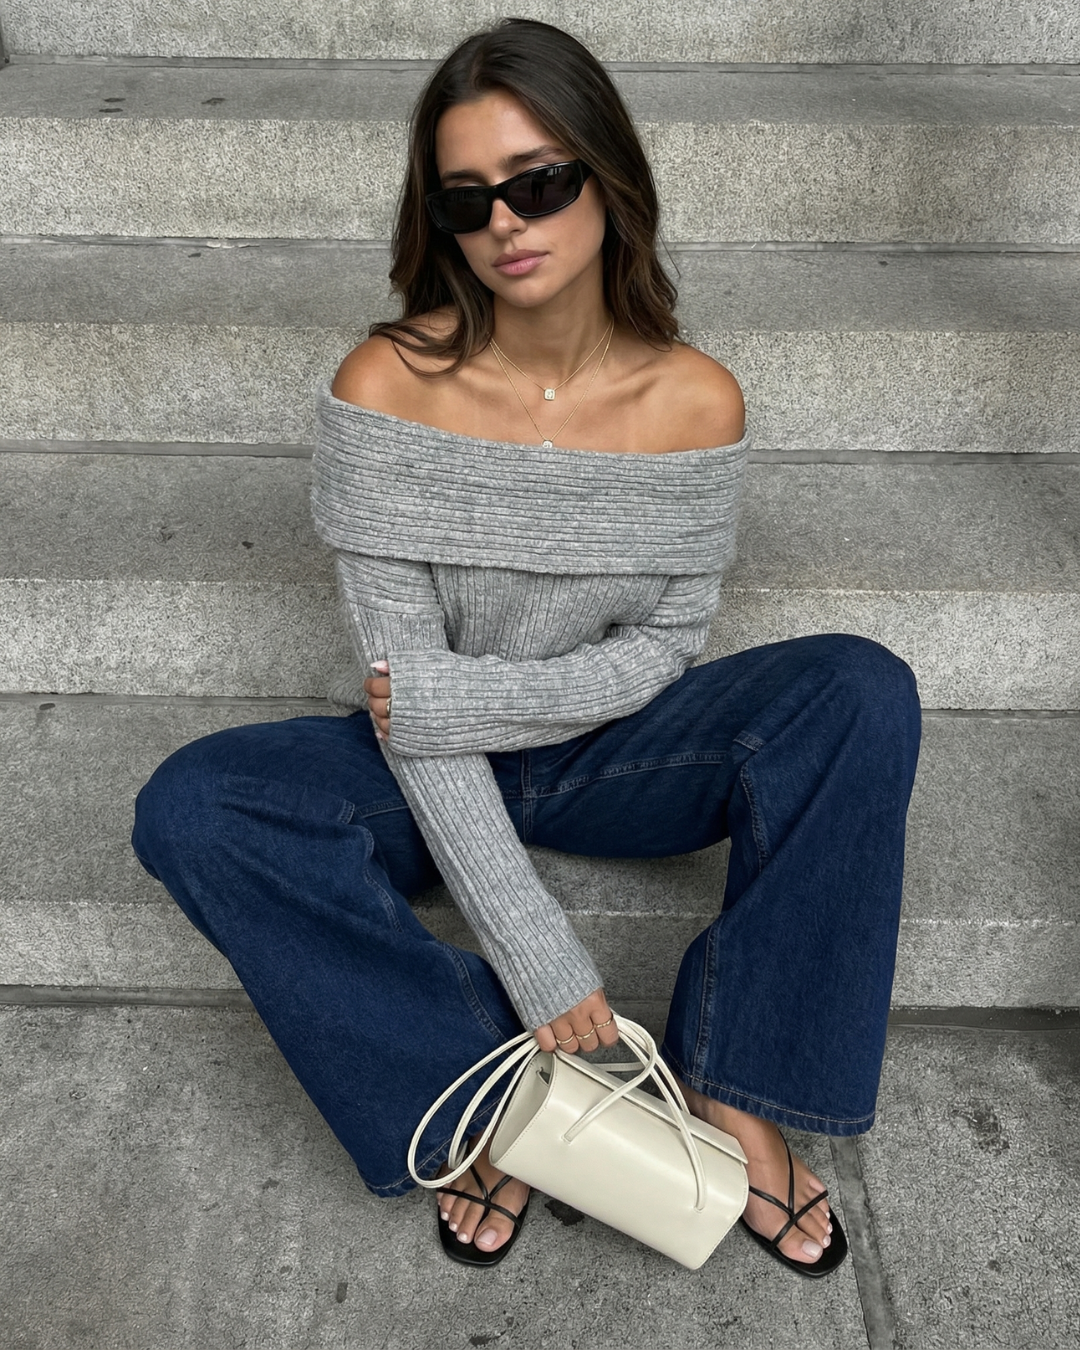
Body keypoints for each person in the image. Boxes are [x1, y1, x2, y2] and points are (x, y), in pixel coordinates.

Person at [131, 19, 920, 1277]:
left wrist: (465, 696)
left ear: (608, 177)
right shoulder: (385, 389)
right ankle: (486, 1086)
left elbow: (660, 651)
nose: (506, 221)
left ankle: (739, 1087)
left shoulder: (696, 401)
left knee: (859, 690)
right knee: (196, 806)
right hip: (418, 767)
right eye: (466, 199)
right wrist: (538, 956)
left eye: (539, 181)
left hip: (618, 752)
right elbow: (406, 713)